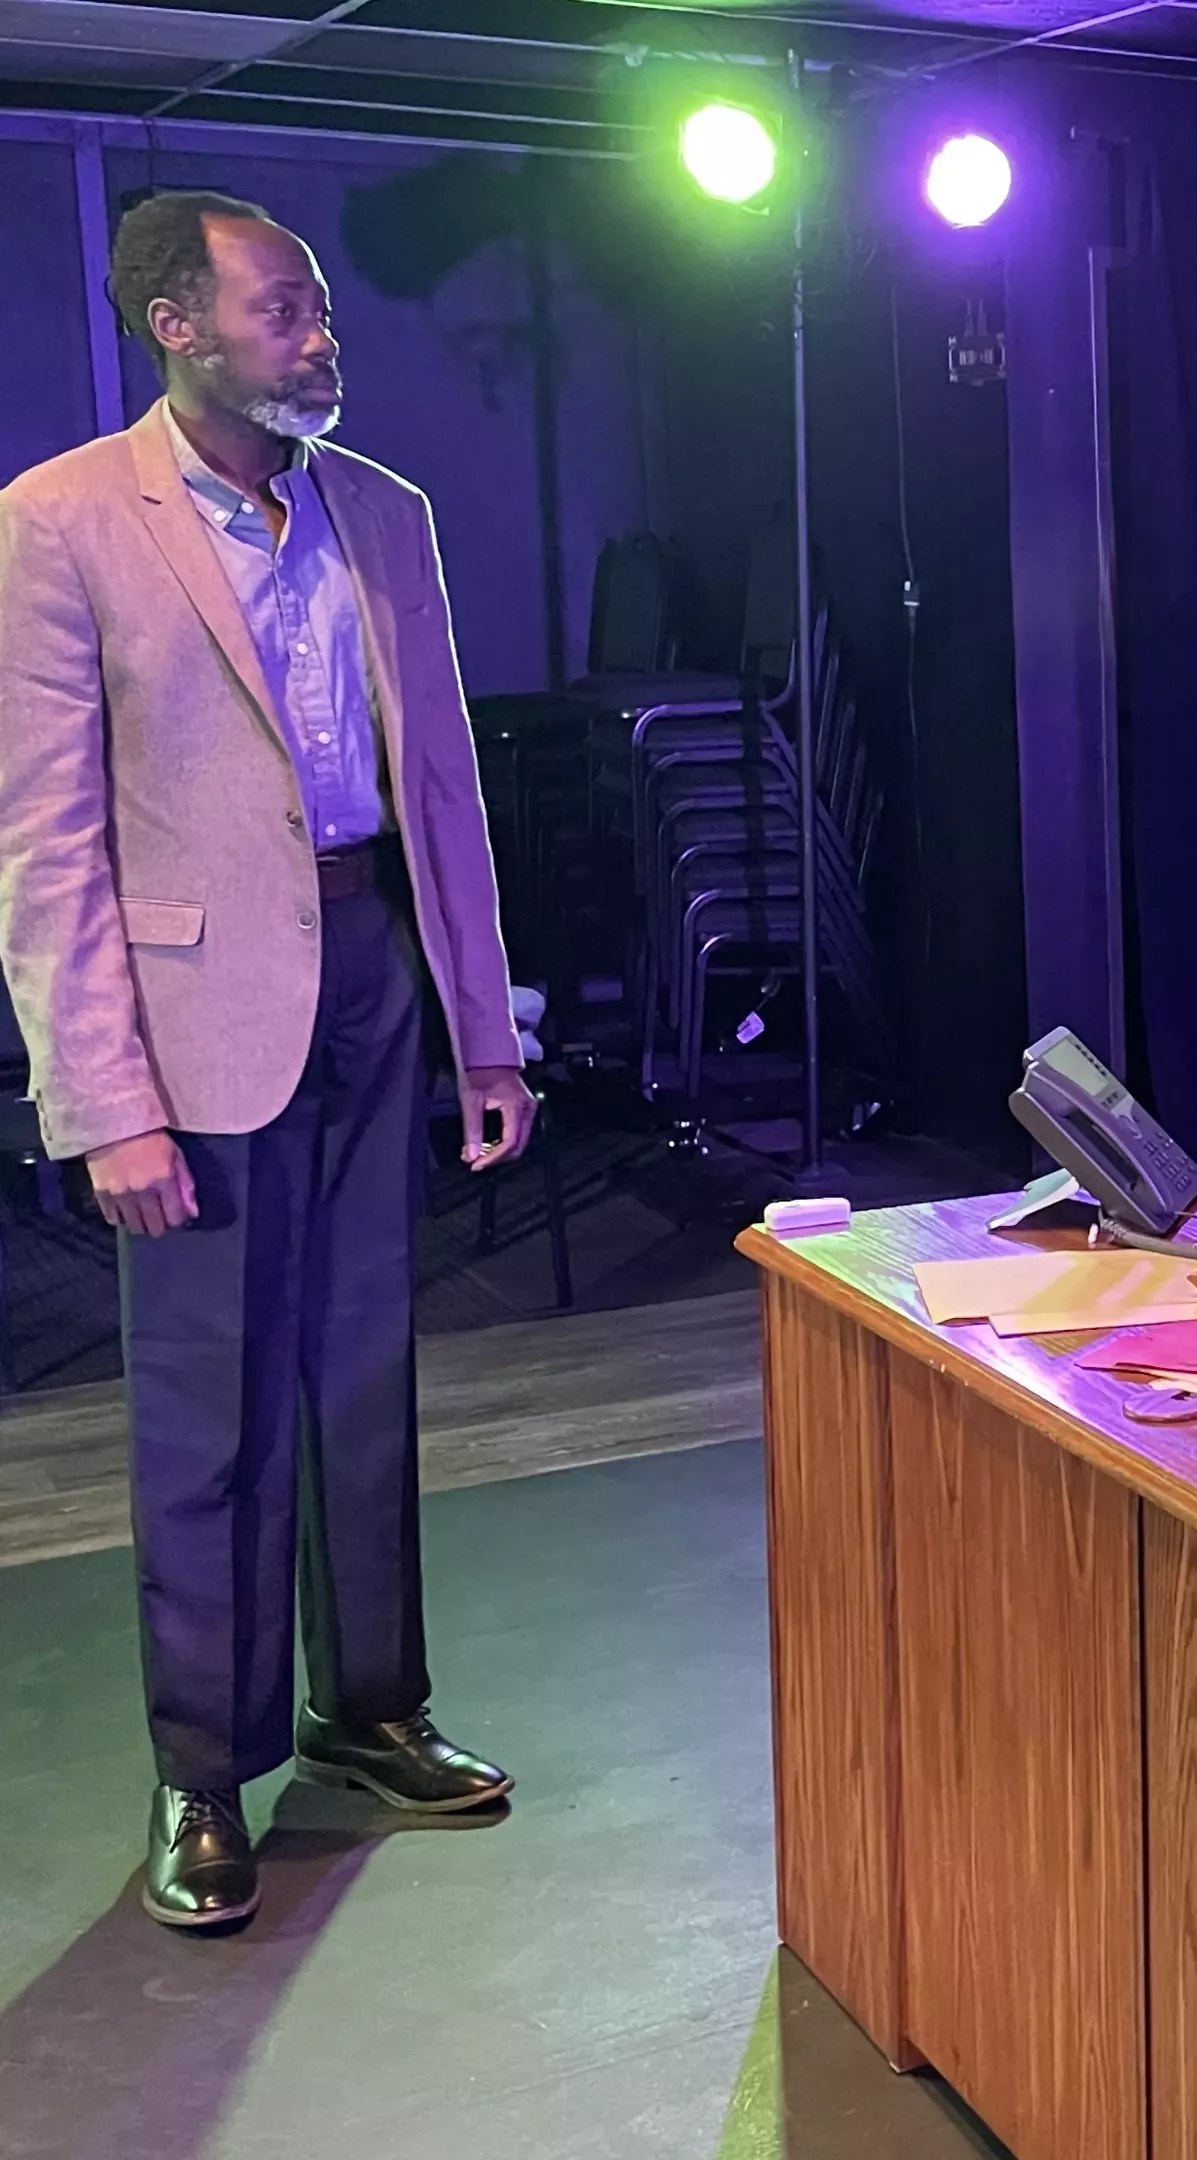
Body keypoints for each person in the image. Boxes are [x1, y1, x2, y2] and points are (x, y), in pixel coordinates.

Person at [0, 191, 534, 1932]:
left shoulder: (383, 511)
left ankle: (367, 1709)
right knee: (209, 1413)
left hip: (372, 967)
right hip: (193, 1019)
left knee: (363, 1376)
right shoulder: (63, 521)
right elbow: (46, 843)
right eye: (283, 307)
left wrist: (481, 1029)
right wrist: (104, 1103)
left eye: (318, 305)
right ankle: (203, 1772)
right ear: (178, 323)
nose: (321, 334)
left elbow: (440, 788)